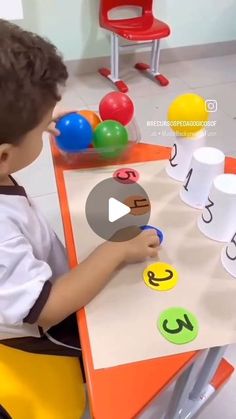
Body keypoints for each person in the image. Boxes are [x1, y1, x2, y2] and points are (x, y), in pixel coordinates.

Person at [0, 19, 159, 358]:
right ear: (4, 156)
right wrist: (115, 251)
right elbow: (48, 308)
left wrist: (39, 116)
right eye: (44, 127)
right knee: (112, 338)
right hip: (42, 332)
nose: (49, 127)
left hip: (33, 279)